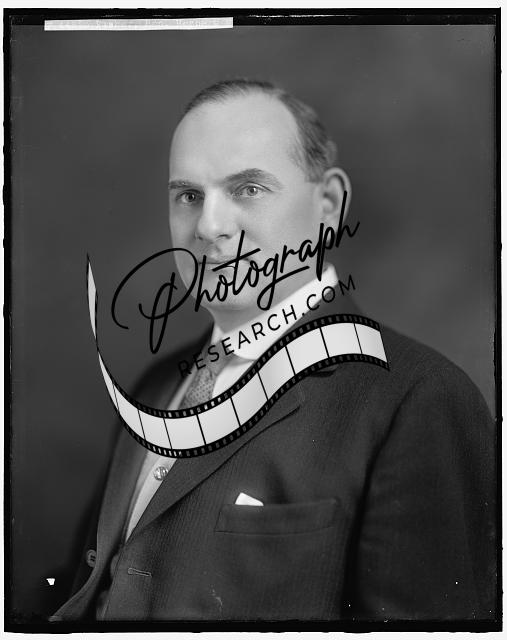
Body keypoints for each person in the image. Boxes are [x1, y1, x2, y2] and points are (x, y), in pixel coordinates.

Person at [51, 79, 496, 623]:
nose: (210, 226)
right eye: (189, 196)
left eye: (248, 189)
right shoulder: (156, 383)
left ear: (328, 205)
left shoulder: (418, 399)